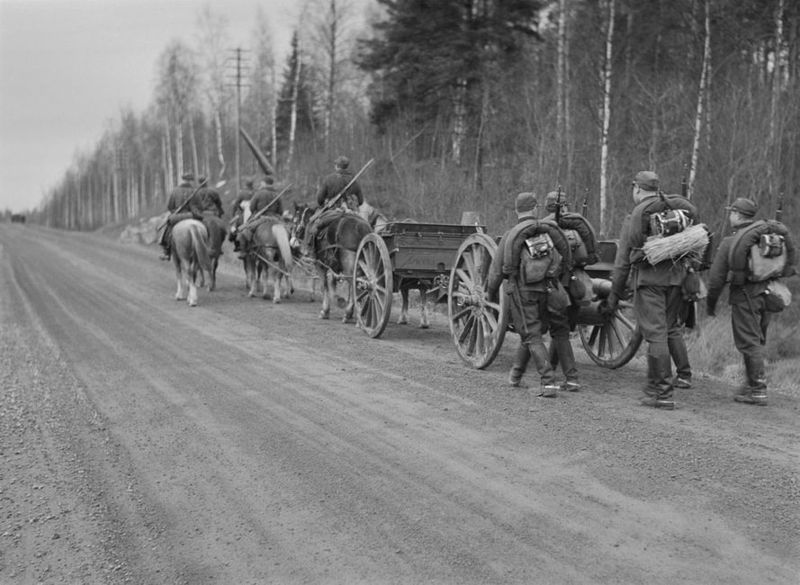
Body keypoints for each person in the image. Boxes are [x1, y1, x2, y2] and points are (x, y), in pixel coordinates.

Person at [606, 171, 699, 409]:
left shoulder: (638, 214)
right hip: (677, 281)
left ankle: (661, 392)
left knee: (655, 336)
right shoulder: (676, 208)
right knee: (668, 330)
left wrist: (614, 294)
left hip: (650, 283)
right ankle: (657, 385)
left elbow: (624, 261)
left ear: (637, 188)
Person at [486, 192, 577, 397]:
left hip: (523, 291)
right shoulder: (548, 231)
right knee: (532, 334)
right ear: (535, 209)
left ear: (516, 211)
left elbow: (496, 272)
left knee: (531, 335)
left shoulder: (511, 234)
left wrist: (490, 294)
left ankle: (548, 381)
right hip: (549, 290)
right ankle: (516, 375)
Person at [705, 197, 773, 405]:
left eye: (732, 213)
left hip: (745, 297)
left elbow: (716, 279)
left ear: (737, 215)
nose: (730, 216)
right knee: (755, 340)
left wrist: (711, 303)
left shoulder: (730, 242)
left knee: (749, 342)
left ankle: (758, 390)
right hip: (768, 295)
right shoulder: (765, 237)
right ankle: (751, 385)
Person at [159, 172, 203, 260]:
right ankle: (206, 247)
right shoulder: (195, 191)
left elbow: (170, 206)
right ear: (191, 181)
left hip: (177, 217)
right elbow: (200, 207)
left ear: (183, 180)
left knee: (167, 230)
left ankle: (167, 251)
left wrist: (174, 211)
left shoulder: (175, 190)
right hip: (192, 216)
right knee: (203, 227)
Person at [237, 176, 284, 257]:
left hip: (261, 218)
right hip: (275, 218)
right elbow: (281, 211)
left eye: (261, 183)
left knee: (243, 233)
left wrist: (256, 213)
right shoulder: (277, 194)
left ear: (264, 183)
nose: (260, 184)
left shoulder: (259, 193)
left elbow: (252, 208)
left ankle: (243, 251)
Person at [229, 177, 255, 252]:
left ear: (246, 184)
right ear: (252, 184)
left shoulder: (242, 193)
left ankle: (237, 244)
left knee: (235, 227)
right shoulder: (256, 192)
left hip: (243, 213)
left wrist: (233, 214)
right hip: (254, 213)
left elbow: (236, 204)